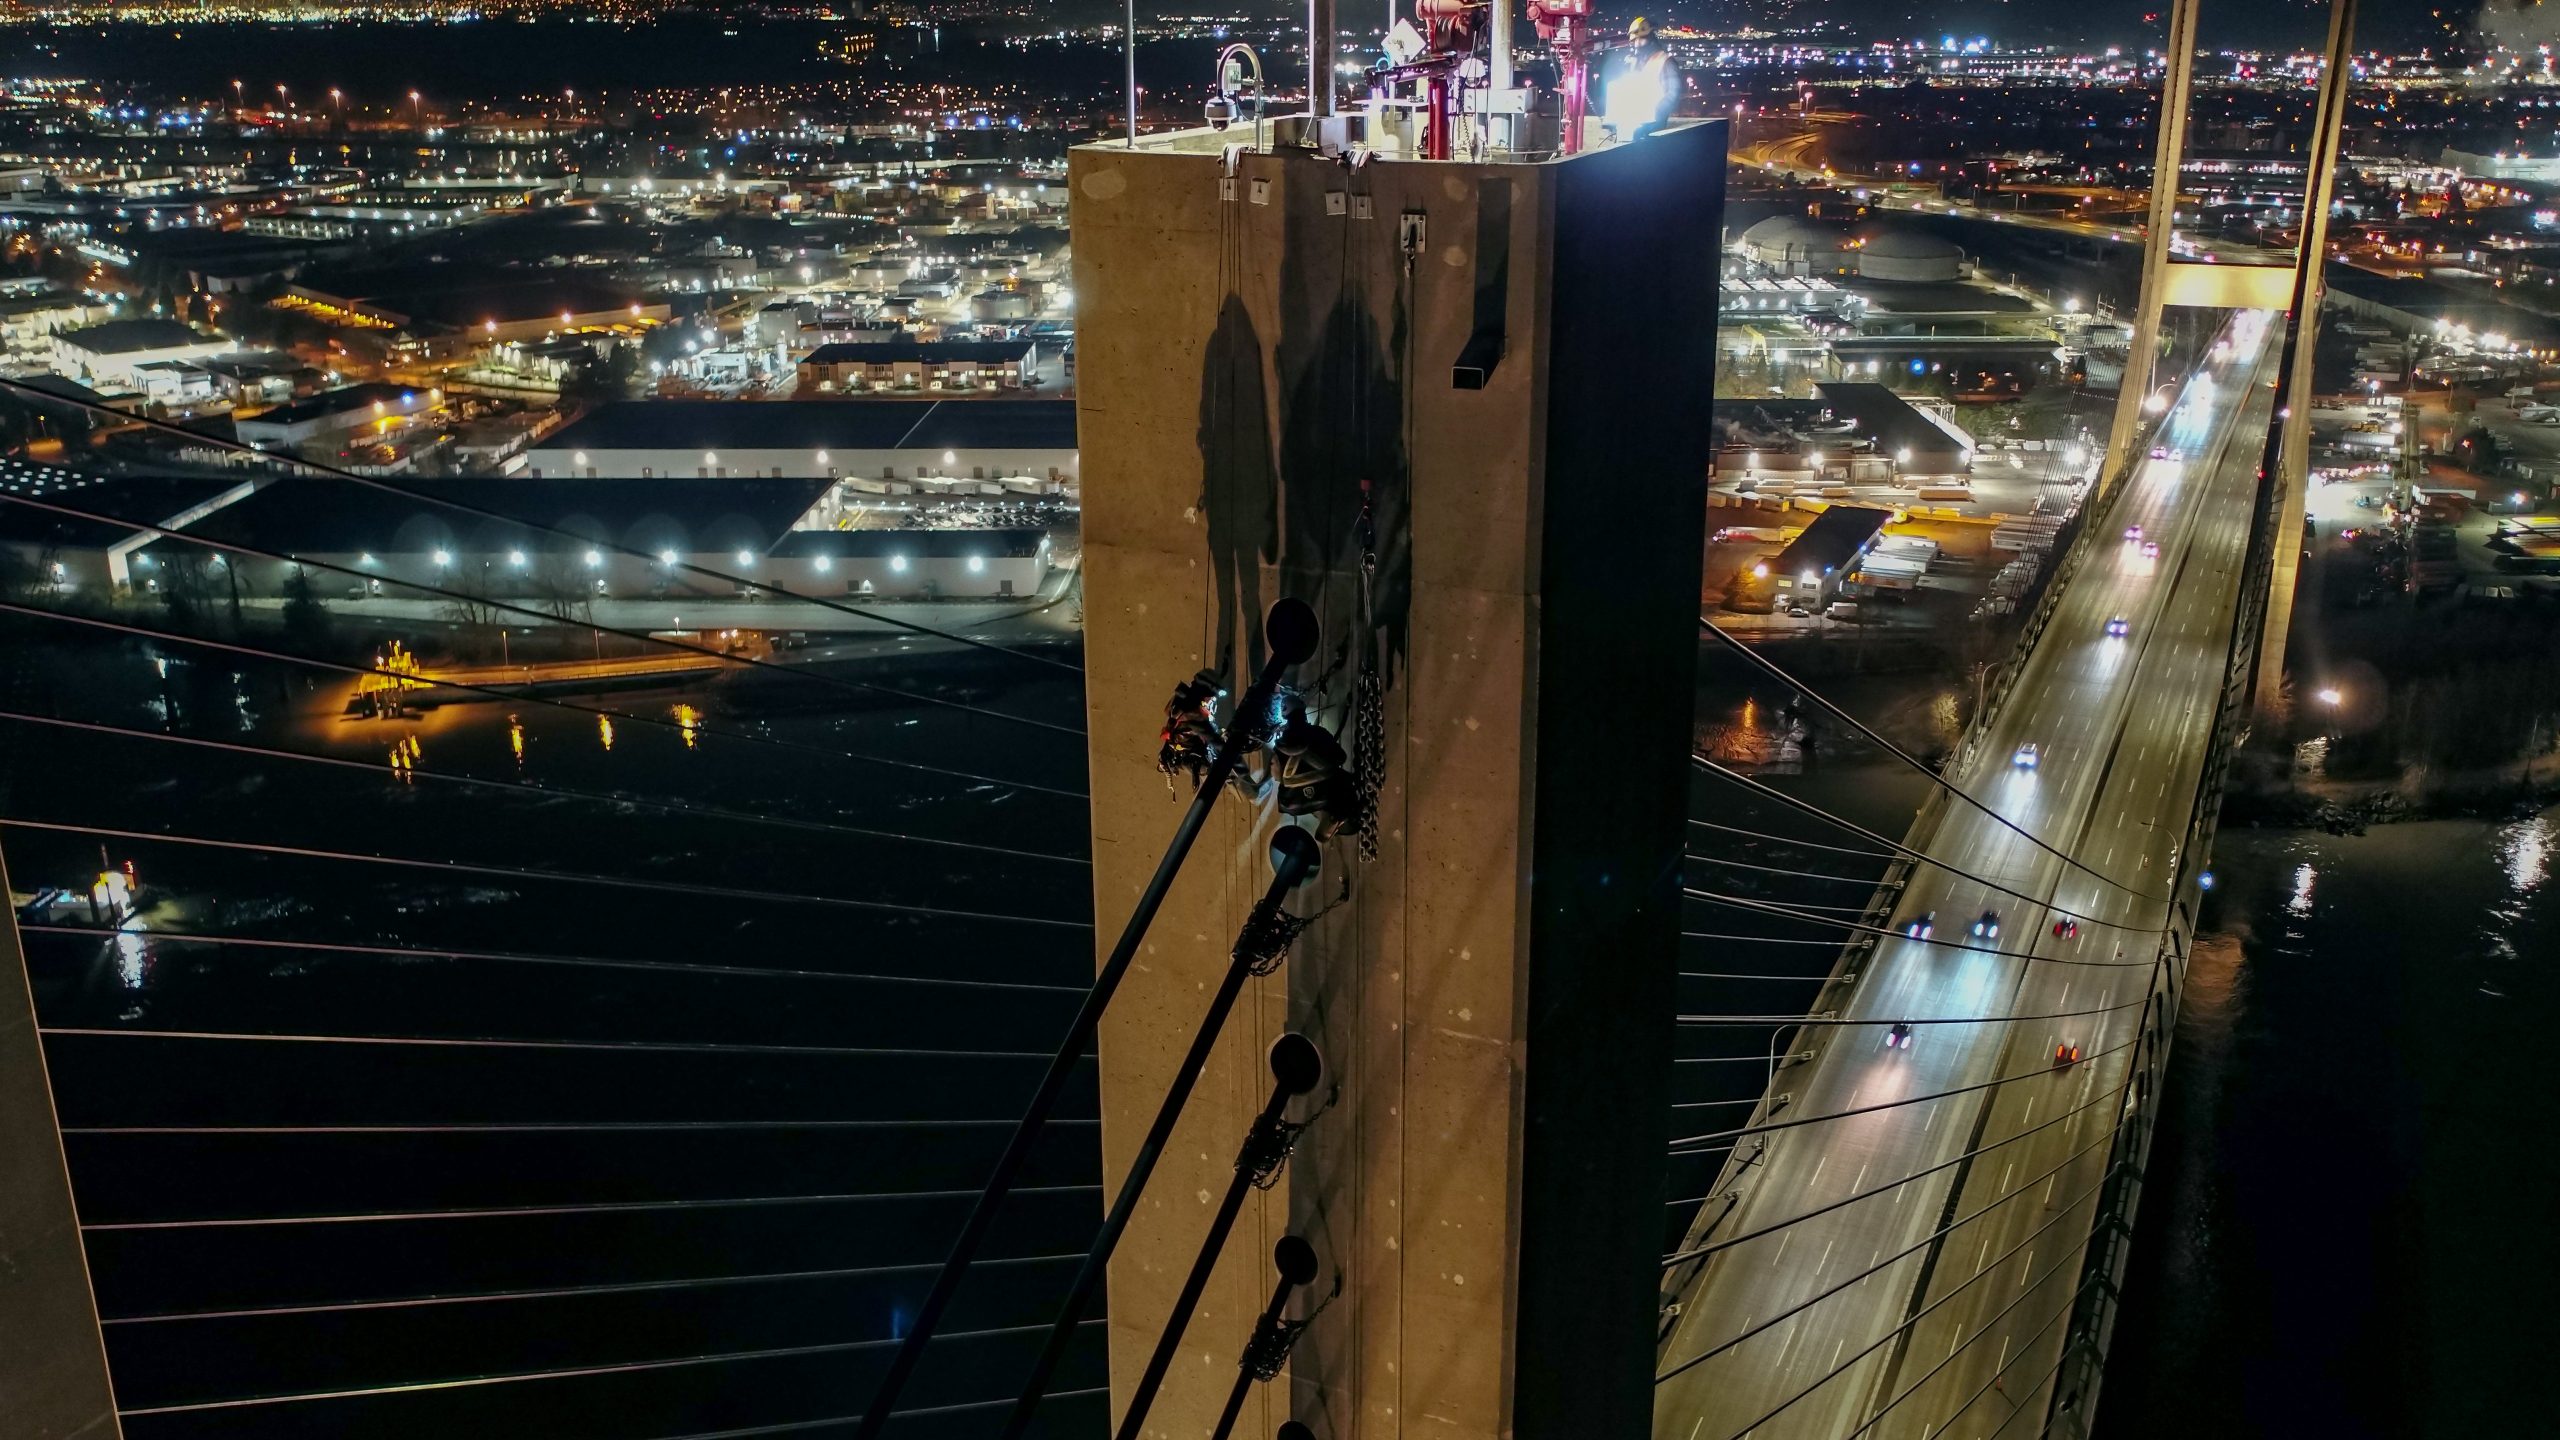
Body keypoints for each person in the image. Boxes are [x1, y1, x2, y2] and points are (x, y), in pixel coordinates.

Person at [1602, 16, 1678, 140]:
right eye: (1635, 41)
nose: (1637, 44)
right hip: (1632, 123)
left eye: (1641, 40)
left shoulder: (1666, 62)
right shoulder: (1634, 62)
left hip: (1653, 128)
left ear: (1650, 38)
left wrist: (1657, 114)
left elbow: (1673, 94)